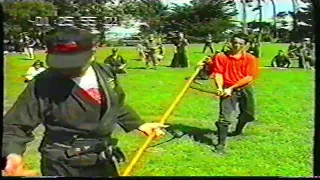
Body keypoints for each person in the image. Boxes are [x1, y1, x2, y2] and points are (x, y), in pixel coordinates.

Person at [2, 27, 169, 177]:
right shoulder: (44, 83)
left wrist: (139, 124)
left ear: (92, 53)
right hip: (64, 164)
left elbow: (116, 103)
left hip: (102, 159)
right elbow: (16, 125)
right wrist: (12, 155)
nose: (67, 69)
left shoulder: (105, 72)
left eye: (74, 63)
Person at [210, 33, 259, 154]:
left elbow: (248, 77)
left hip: (244, 87)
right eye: (234, 42)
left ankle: (237, 131)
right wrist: (220, 87)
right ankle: (221, 144)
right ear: (230, 42)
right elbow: (218, 73)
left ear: (245, 45)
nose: (236, 45)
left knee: (249, 114)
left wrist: (231, 87)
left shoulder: (250, 58)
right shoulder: (221, 57)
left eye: (240, 44)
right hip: (227, 89)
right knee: (224, 118)